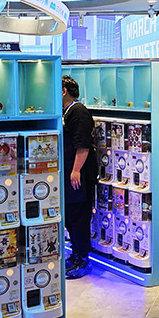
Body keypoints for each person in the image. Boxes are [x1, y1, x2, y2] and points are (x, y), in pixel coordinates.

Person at [61, 75, 97, 279]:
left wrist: (76, 170)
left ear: (64, 91)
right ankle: (75, 254)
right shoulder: (67, 111)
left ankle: (82, 258)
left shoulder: (79, 112)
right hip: (71, 173)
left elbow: (83, 144)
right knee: (71, 215)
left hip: (80, 175)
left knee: (79, 217)